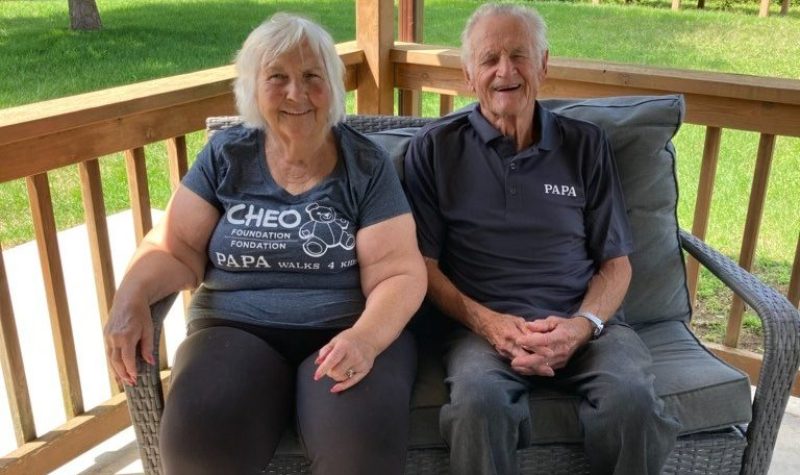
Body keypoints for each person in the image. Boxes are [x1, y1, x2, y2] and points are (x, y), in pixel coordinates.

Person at [104, 13, 426, 475]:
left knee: (358, 454)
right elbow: (174, 247)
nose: (296, 93)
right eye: (278, 77)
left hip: (347, 332)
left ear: (333, 86)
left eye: (312, 76)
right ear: (253, 88)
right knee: (200, 443)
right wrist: (130, 295)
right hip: (235, 330)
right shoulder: (227, 155)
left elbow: (399, 271)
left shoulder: (365, 165)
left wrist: (365, 339)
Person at [403, 4, 681, 475]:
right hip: (482, 329)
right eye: (489, 59)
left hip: (586, 320)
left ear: (544, 65)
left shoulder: (585, 144)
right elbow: (422, 268)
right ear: (469, 75)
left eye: (519, 55)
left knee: (631, 400)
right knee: (480, 404)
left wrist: (583, 324)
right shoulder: (435, 150)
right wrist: (490, 324)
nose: (505, 71)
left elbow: (616, 263)